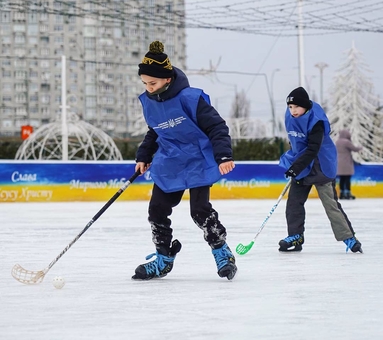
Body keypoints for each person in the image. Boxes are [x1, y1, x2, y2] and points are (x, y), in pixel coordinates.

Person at [132, 41, 237, 281]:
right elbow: (155, 131)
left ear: (167, 79)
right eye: (145, 83)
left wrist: (223, 156)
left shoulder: (191, 99)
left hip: (198, 158)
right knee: (156, 210)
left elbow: (217, 127)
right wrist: (144, 155)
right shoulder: (149, 102)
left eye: (153, 83)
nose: (148, 88)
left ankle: (222, 252)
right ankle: (163, 259)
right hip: (170, 160)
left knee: (199, 211)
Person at [278, 87, 363, 253]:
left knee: (331, 205)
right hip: (302, 166)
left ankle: (349, 237)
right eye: (290, 107)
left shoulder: (316, 120)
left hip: (320, 165)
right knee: (294, 203)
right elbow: (295, 142)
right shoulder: (290, 117)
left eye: (297, 107)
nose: (293, 111)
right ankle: (296, 236)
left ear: (305, 106)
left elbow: (313, 149)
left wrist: (295, 168)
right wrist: (294, 163)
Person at [335, 129, 362, 199]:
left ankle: (341, 193)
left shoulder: (337, 142)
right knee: (347, 178)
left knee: (342, 179)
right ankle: (347, 193)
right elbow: (355, 149)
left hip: (339, 163)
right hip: (346, 163)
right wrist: (360, 147)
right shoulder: (346, 142)